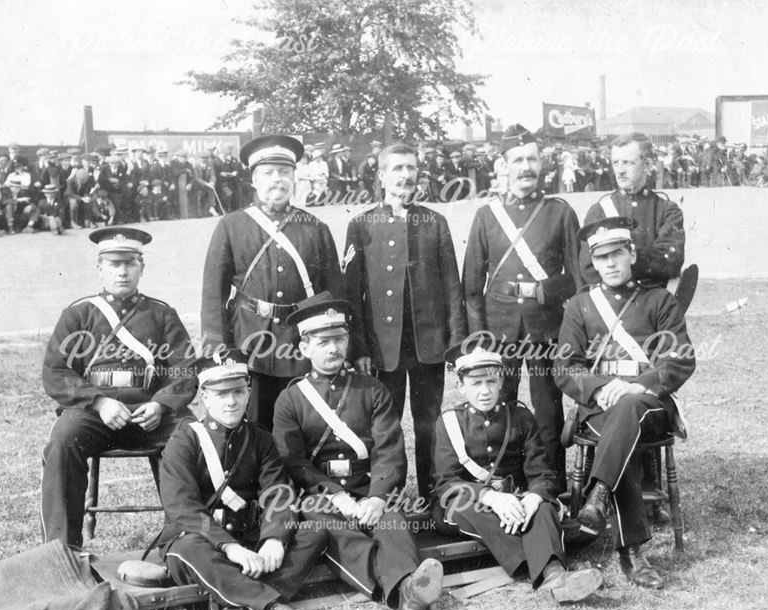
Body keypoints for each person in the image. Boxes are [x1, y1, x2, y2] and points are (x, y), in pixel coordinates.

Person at [273, 294, 444, 610]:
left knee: (393, 520)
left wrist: (378, 497)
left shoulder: (372, 389)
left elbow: (390, 451)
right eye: (323, 342)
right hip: (321, 495)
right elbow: (293, 463)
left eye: (339, 339)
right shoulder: (290, 399)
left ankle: (408, 589)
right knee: (333, 528)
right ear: (305, 347)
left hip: (368, 487)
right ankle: (405, 592)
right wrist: (335, 495)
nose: (333, 349)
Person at [555, 217, 696, 589]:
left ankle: (598, 494)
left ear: (632, 253)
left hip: (650, 404)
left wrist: (636, 386)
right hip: (601, 406)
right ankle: (632, 552)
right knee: (621, 423)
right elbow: (564, 366)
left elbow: (679, 360)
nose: (611, 264)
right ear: (593, 262)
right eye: (602, 258)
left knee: (629, 410)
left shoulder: (659, 300)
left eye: (617, 254)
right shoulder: (580, 306)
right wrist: (601, 389)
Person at [154, 352, 330, 610]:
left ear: (249, 393)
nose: (231, 401)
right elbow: (181, 508)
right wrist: (230, 547)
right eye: (221, 394)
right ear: (205, 399)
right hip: (201, 538)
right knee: (190, 549)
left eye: (237, 392)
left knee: (314, 531)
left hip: (250, 538)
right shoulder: (184, 440)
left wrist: (274, 538)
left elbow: (279, 492)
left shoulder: (259, 437)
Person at [40, 227, 197, 549]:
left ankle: (188, 540)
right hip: (95, 414)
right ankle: (61, 549)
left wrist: (161, 405)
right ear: (100, 268)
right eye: (113, 265)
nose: (122, 272)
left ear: (142, 267)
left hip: (151, 414)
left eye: (130, 264)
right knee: (62, 441)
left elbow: (185, 369)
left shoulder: (161, 313)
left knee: (196, 436)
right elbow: (56, 370)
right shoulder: (79, 314)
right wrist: (97, 402)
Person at [432, 342, 603, 603]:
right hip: (470, 504)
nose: (485, 391)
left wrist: (534, 497)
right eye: (475, 384)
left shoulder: (521, 417)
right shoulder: (449, 423)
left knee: (543, 506)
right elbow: (446, 483)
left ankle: (555, 576)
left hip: (516, 502)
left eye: (491, 381)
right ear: (460, 387)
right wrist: (491, 498)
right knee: (471, 509)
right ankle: (540, 557)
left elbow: (543, 474)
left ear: (501, 381)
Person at [344, 143, 466, 502]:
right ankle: (389, 495)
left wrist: (456, 344)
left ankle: (432, 495)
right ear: (381, 176)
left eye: (411, 168)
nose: (405, 175)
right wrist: (360, 348)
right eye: (397, 168)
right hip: (384, 350)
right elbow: (353, 297)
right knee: (385, 425)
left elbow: (452, 288)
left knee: (429, 424)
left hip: (429, 345)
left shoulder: (435, 222)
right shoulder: (361, 224)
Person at [462, 123, 582, 487]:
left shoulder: (559, 212)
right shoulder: (486, 215)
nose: (526, 167)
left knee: (547, 409)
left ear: (541, 164)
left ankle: (552, 482)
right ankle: (504, 478)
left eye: (532, 159)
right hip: (499, 328)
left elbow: (578, 278)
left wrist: (546, 290)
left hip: (546, 326)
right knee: (498, 404)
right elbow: (471, 285)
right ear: (503, 165)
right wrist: (479, 339)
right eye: (518, 160)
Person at [200, 135, 345, 428]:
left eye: (284, 172)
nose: (277, 179)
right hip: (249, 340)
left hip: (302, 342)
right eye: (268, 173)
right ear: (254, 179)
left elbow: (333, 293)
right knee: (254, 425)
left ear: (294, 177)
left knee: (305, 424)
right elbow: (213, 293)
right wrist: (218, 344)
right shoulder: (231, 225)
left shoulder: (316, 228)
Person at [580, 133, 685, 289]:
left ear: (648, 165)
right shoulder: (598, 211)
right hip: (612, 306)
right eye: (615, 163)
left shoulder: (667, 211)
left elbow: (671, 261)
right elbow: (588, 267)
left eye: (628, 163)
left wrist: (617, 259)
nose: (620, 170)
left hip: (653, 304)